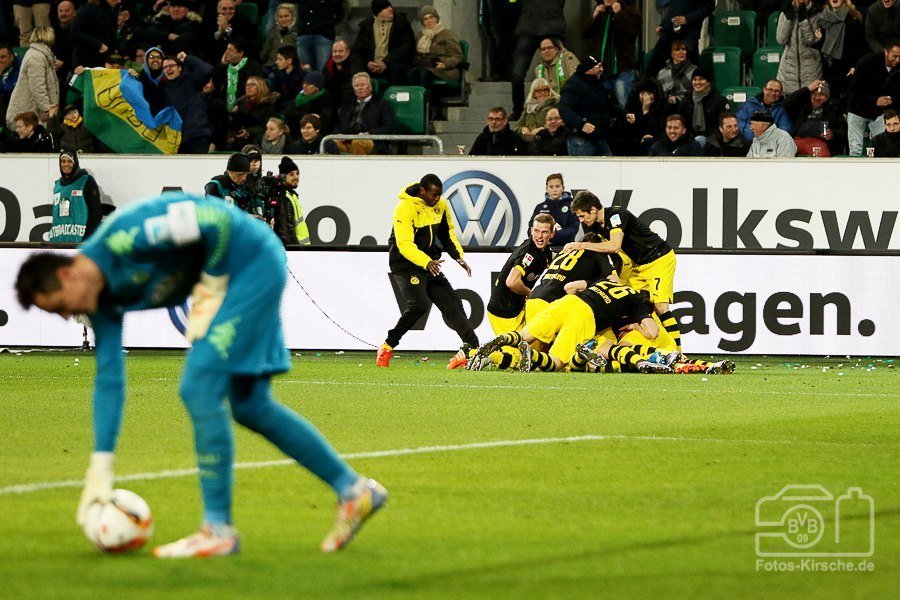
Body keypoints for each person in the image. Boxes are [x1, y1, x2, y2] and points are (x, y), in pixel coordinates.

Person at [15, 194, 387, 558]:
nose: (66, 316)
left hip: (250, 263)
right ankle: (355, 491)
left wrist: (213, 282)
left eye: (60, 306)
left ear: (66, 274)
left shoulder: (125, 237)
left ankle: (217, 531)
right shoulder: (103, 301)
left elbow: (216, 220)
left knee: (198, 387)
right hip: (238, 278)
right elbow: (109, 378)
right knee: (251, 405)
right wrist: (101, 465)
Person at [376, 174, 479, 367]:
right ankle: (387, 346)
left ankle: (472, 350)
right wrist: (427, 262)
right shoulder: (404, 208)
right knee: (419, 305)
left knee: (452, 304)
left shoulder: (441, 205)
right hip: (406, 264)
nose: (437, 199)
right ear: (422, 191)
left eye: (440, 194)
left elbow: (448, 234)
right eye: (434, 195)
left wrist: (458, 256)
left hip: (430, 263)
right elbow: (404, 244)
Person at [567, 190, 683, 352]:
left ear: (593, 209)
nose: (581, 220)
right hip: (637, 266)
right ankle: (656, 348)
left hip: (659, 259)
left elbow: (614, 246)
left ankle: (679, 353)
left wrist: (581, 245)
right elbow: (608, 254)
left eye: (582, 216)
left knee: (660, 306)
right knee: (630, 301)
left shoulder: (616, 215)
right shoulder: (592, 225)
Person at [474, 279, 660, 373]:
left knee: (523, 335)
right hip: (585, 315)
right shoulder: (638, 301)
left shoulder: (607, 281)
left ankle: (498, 342)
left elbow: (570, 287)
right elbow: (653, 332)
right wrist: (635, 326)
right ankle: (532, 354)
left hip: (567, 301)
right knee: (556, 363)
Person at [485, 214, 555, 337]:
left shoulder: (544, 251)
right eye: (536, 231)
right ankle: (476, 350)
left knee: (532, 342)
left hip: (517, 308)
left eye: (544, 232)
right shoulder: (528, 254)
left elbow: (554, 261)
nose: (539, 236)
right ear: (531, 231)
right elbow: (512, 282)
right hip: (504, 312)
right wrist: (530, 294)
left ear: (551, 234)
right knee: (514, 348)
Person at [509, 1, 567, 120]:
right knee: (517, 74)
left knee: (561, 69)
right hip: (528, 27)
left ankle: (562, 107)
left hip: (551, 27)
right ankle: (518, 110)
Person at [582, 0, 642, 111]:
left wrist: (619, 13)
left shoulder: (630, 11)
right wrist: (594, 16)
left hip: (622, 71)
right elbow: (585, 33)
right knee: (601, 108)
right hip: (601, 73)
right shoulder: (600, 12)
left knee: (624, 108)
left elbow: (633, 31)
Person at [558, 54, 619, 156]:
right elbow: (564, 109)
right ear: (589, 69)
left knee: (609, 165)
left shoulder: (599, 85)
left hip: (599, 137)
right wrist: (581, 124)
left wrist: (624, 114)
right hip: (580, 139)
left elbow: (609, 105)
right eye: (598, 66)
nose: (602, 69)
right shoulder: (573, 85)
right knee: (583, 166)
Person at [846, 42, 900, 155]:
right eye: (895, 56)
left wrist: (890, 100)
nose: (898, 60)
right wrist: (875, 100)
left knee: (884, 147)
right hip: (857, 109)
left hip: (878, 113)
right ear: (886, 52)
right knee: (855, 149)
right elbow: (854, 88)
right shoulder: (868, 61)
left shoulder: (897, 67)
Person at [408, 5, 462, 111]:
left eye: (431, 17)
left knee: (424, 74)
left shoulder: (447, 34)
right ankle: (415, 107)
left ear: (436, 18)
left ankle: (427, 109)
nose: (429, 21)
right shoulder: (420, 35)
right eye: (425, 19)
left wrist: (445, 64)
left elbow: (457, 55)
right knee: (410, 73)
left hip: (442, 68)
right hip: (424, 65)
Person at [160, 51, 215, 154]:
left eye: (171, 65)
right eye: (165, 67)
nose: (168, 69)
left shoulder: (191, 80)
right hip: (177, 140)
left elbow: (207, 69)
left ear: (180, 68)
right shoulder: (163, 90)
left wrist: (187, 59)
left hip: (196, 136)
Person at [328, 71, 395, 155]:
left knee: (357, 142)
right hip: (348, 141)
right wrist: (337, 133)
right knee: (330, 142)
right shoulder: (347, 105)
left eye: (363, 85)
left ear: (370, 87)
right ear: (354, 89)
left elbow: (388, 127)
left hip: (372, 141)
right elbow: (338, 125)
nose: (360, 88)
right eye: (356, 86)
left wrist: (369, 133)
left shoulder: (382, 104)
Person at [351, 0, 416, 86]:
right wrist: (367, 63)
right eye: (385, 8)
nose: (390, 9)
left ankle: (394, 93)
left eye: (390, 6)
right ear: (378, 12)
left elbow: (407, 46)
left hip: (393, 62)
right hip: (371, 64)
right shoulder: (366, 26)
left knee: (396, 68)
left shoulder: (402, 23)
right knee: (355, 67)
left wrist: (386, 62)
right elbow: (356, 50)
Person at [818, 0, 868, 110]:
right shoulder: (822, 19)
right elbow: (821, 47)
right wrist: (819, 40)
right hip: (827, 68)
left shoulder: (853, 19)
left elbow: (860, 46)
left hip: (846, 70)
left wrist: (855, 66)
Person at [5, 25, 57, 129]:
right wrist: (47, 110)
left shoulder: (40, 55)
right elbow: (38, 87)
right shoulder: (36, 57)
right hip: (27, 116)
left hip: (31, 113)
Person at [646, 0, 715, 75]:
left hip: (689, 33)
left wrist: (687, 18)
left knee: (690, 67)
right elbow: (673, 8)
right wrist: (663, 25)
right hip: (670, 31)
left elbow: (709, 7)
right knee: (654, 65)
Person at [49, 150, 102, 243]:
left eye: (70, 161)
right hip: (58, 243)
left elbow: (96, 214)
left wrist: (86, 239)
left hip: (79, 242)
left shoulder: (86, 181)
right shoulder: (57, 186)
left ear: (75, 163)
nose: (66, 164)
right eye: (63, 161)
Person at [784, 79, 848, 156]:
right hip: (797, 141)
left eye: (821, 94)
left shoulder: (834, 111)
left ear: (827, 97)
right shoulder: (803, 108)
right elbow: (786, 103)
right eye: (814, 94)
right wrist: (808, 89)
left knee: (820, 153)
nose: (817, 97)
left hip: (819, 143)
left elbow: (844, 133)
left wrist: (833, 134)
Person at [776, 0, 824, 93]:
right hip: (788, 68)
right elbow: (781, 40)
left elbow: (811, 40)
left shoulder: (818, 14)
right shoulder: (784, 13)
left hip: (811, 68)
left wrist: (803, 20)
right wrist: (789, 19)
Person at [227, 75, 280, 150]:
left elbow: (266, 126)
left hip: (259, 137)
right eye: (247, 85)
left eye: (252, 85)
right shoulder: (241, 103)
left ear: (260, 87)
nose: (248, 87)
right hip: (241, 137)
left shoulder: (269, 104)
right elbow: (235, 124)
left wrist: (248, 132)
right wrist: (231, 135)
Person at [677, 67, 728, 143]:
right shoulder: (686, 100)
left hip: (713, 140)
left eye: (701, 79)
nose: (697, 82)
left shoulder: (719, 100)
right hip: (689, 140)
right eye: (694, 79)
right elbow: (681, 124)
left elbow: (723, 125)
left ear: (708, 82)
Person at [529, 173, 580, 246]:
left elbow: (573, 229)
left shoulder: (572, 206)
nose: (554, 190)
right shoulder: (540, 207)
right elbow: (530, 230)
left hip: (566, 247)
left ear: (563, 187)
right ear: (546, 189)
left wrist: (551, 235)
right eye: (551, 187)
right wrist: (545, 235)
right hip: (543, 247)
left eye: (557, 186)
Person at [620, 77, 666, 156]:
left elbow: (659, 130)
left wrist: (646, 111)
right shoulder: (632, 107)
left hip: (655, 144)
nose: (645, 97)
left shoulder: (662, 108)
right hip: (635, 145)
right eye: (643, 93)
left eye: (649, 93)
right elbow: (626, 133)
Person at [295, 0, 345, 72]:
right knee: (305, 70)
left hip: (324, 33)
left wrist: (330, 21)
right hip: (304, 32)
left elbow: (339, 10)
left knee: (323, 70)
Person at [271, 156, 311, 247]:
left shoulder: (291, 195)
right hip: (296, 249)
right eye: (291, 174)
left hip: (300, 248)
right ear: (283, 177)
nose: (296, 177)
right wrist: (296, 248)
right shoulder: (285, 197)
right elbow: (287, 229)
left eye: (297, 173)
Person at [70, 0, 121, 68]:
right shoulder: (87, 9)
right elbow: (74, 33)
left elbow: (110, 36)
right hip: (86, 62)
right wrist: (99, 45)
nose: (118, 1)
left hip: (104, 61)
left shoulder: (112, 11)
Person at [513, 78, 559, 142]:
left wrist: (542, 129)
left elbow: (559, 122)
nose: (543, 93)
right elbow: (517, 126)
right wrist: (522, 129)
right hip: (530, 140)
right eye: (539, 91)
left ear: (550, 91)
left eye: (545, 90)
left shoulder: (555, 104)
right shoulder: (528, 108)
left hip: (549, 139)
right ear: (534, 94)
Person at [655, 39, 696, 109]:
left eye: (683, 49)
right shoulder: (662, 73)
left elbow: (696, 93)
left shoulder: (694, 70)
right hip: (665, 106)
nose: (681, 52)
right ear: (671, 54)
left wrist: (677, 99)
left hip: (686, 106)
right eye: (677, 50)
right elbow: (657, 92)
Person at [259, 4, 298, 70]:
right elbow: (263, 53)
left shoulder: (298, 33)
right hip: (270, 66)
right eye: (280, 17)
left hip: (290, 68)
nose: (283, 19)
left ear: (293, 16)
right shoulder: (273, 32)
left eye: (286, 16)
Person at [271, 45, 303, 112]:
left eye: (280, 59)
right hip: (277, 107)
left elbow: (297, 100)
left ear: (289, 61)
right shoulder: (277, 73)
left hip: (292, 110)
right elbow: (274, 93)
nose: (276, 62)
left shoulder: (300, 77)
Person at [0, 44, 21, 121]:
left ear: (11, 56)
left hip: (17, 103)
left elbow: (11, 90)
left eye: (3, 57)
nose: (0, 60)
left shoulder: (20, 66)